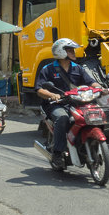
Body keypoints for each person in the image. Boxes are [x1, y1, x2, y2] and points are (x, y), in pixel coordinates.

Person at [34, 37, 97, 169]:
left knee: (92, 115)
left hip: (76, 102)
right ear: (60, 52)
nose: (73, 52)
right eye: (70, 50)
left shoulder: (77, 68)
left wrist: (100, 88)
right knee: (62, 118)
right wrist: (52, 95)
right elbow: (39, 89)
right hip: (56, 104)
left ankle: (86, 144)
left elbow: (91, 82)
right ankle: (57, 153)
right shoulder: (48, 69)